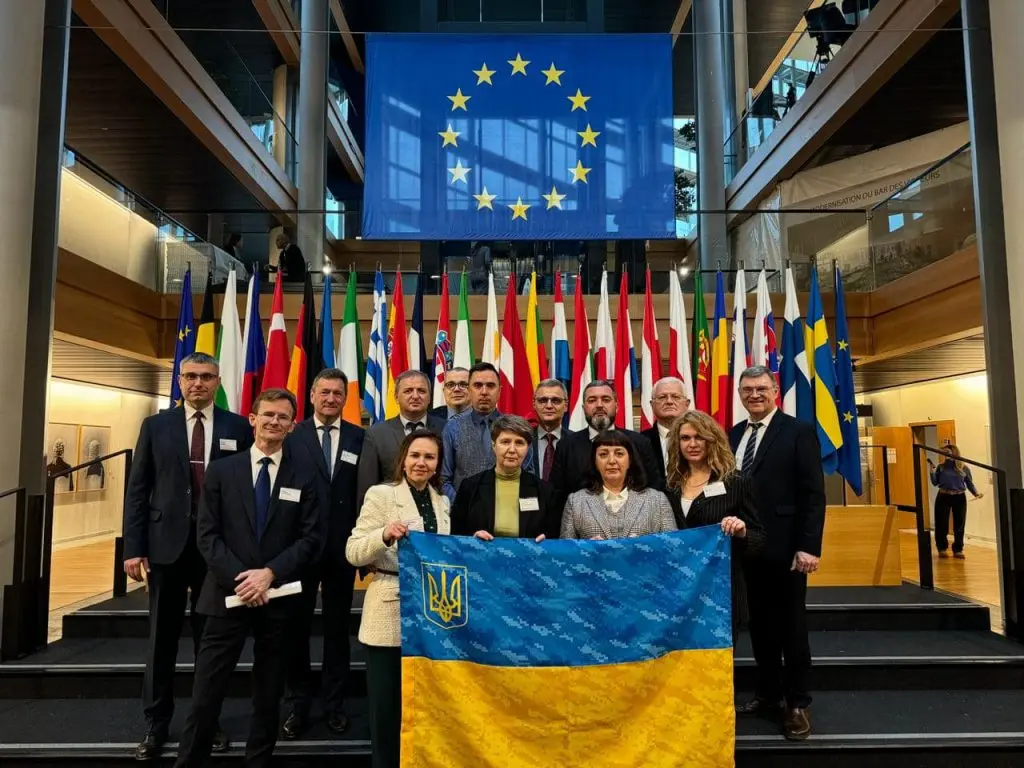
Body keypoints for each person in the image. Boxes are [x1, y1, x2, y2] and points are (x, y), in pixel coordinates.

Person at [173, 388, 322, 767]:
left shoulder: (304, 476)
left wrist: (269, 574)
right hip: (226, 596)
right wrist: (245, 580)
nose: (275, 421)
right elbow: (207, 536)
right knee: (206, 695)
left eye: (283, 417)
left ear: (292, 426)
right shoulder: (223, 471)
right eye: (268, 414)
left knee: (268, 695)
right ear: (252, 419)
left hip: (279, 599)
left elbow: (310, 539)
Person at [123, 352, 253, 760]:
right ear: (180, 381)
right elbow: (138, 489)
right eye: (191, 376)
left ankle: (207, 721)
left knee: (210, 642)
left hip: (218, 550)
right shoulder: (155, 426)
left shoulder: (237, 427)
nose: (198, 383)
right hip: (166, 547)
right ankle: (156, 723)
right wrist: (133, 548)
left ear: (218, 382)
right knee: (161, 640)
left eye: (206, 377)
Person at [728, 365, 825, 742]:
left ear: (775, 391)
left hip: (786, 549)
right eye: (747, 390)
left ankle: (798, 703)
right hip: (745, 549)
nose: (754, 395)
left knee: (791, 628)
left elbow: (813, 494)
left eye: (761, 388)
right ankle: (768, 693)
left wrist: (808, 546)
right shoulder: (734, 434)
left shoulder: (798, 431)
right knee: (760, 628)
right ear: (740, 394)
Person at [346, 431, 451, 768]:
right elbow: (353, 552)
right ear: (403, 460)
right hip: (388, 610)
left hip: (431, 617)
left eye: (429, 457)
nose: (421, 463)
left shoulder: (443, 502)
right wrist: (384, 535)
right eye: (415, 455)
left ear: (437, 464)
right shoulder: (381, 495)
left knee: (422, 709)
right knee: (387, 709)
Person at [282, 369, 365, 739]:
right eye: (325, 392)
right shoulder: (291, 434)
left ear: (345, 399)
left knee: (337, 629)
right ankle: (298, 703)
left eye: (338, 394)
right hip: (298, 547)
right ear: (312, 395)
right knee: (296, 628)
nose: (331, 399)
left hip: (341, 549)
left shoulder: (359, 437)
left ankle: (334, 704)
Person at [664, 410, 765, 635]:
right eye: (685, 438)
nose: (692, 444)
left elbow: (759, 541)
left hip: (722, 590)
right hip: (679, 591)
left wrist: (741, 531)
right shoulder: (669, 485)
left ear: (712, 440)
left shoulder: (735, 482)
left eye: (699, 437)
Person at [549, 380, 662, 510]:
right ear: (584, 408)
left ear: (617, 406)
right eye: (592, 400)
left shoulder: (640, 442)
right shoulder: (566, 445)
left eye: (606, 400)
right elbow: (558, 495)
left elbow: (654, 489)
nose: (599, 405)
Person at [452, 415, 559, 541]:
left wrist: (546, 541)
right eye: (505, 442)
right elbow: (455, 534)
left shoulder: (544, 491)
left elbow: (553, 534)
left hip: (527, 553)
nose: (512, 450)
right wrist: (472, 539)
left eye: (519, 443)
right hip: (480, 553)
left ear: (528, 448)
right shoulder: (470, 487)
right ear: (494, 445)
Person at [441, 362, 534, 501]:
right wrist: (463, 505)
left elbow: (528, 475)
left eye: (490, 386)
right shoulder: (452, 427)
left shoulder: (518, 428)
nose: (484, 392)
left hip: (508, 507)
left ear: (499, 391)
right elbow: (444, 479)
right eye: (478, 385)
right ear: (469, 390)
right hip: (464, 510)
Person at [560, 430, 676, 540]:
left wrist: (646, 548)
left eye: (619, 454)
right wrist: (586, 549)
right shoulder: (576, 502)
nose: (611, 461)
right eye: (603, 454)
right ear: (595, 462)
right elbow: (566, 550)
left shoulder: (657, 500)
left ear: (630, 460)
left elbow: (673, 547)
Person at [356, 370, 446, 508]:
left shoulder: (446, 429)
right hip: (391, 513)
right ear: (396, 397)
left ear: (429, 397)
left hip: (436, 511)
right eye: (408, 391)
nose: (415, 396)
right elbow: (367, 486)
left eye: (421, 391)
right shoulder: (376, 434)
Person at [928, 444, 983, 559]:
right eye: (944, 452)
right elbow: (935, 482)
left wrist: (976, 493)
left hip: (959, 497)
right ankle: (942, 548)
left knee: (959, 525)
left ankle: (958, 549)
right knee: (941, 524)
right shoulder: (941, 467)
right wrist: (932, 472)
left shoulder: (963, 467)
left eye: (948, 452)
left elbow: (969, 483)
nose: (945, 454)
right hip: (943, 496)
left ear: (954, 452)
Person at [641, 376, 691, 484]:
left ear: (687, 404)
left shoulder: (703, 439)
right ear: (652, 405)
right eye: (662, 397)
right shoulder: (639, 442)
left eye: (675, 396)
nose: (669, 401)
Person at [532, 379, 568, 483]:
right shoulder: (523, 439)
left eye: (555, 400)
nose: (549, 406)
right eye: (543, 400)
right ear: (534, 404)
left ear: (566, 406)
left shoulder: (577, 442)